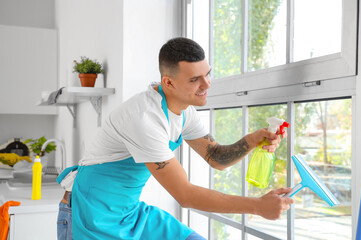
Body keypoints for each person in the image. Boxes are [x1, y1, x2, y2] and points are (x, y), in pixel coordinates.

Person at [56, 37, 293, 240]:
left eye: (207, 74)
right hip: (91, 215)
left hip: (129, 213)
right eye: (194, 80)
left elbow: (216, 157)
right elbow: (186, 195)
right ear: (168, 82)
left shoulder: (184, 111)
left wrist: (253, 140)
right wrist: (257, 206)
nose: (206, 84)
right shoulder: (145, 119)